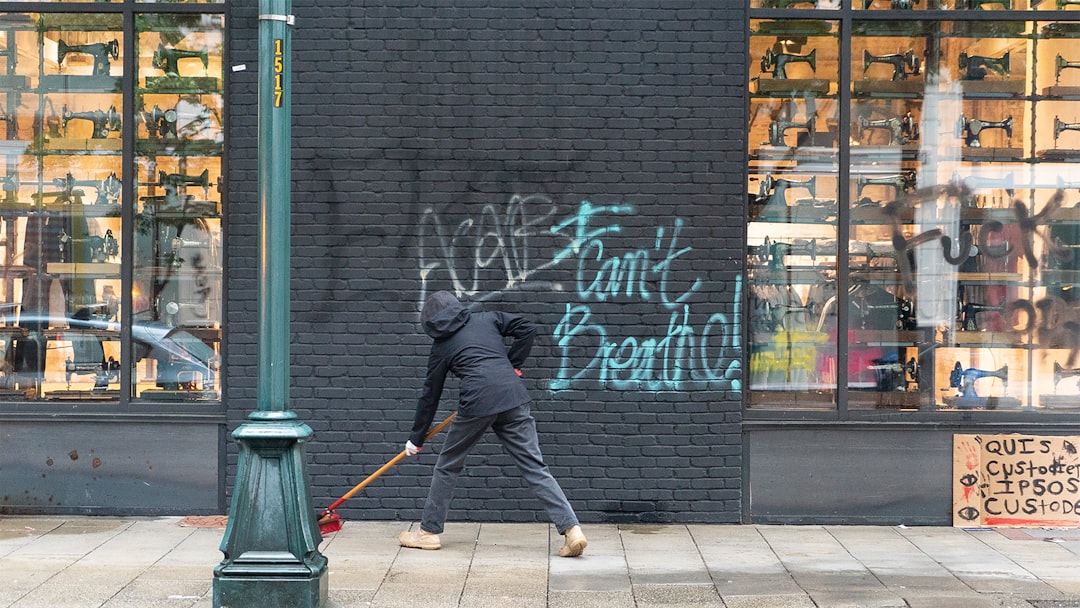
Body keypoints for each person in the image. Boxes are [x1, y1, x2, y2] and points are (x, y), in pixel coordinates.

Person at [399, 290, 587, 557]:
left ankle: (428, 532)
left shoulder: (441, 348)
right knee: (535, 466)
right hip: (513, 396)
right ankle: (572, 529)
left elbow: (430, 395)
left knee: (448, 465)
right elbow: (527, 328)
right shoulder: (488, 319)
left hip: (477, 402)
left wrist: (416, 438)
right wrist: (513, 364)